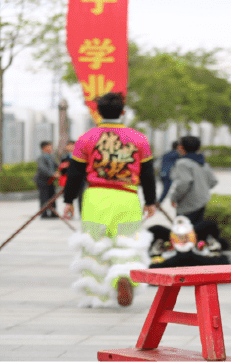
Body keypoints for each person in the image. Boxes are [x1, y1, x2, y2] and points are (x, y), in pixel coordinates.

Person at [61, 92, 157, 307]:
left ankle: (97, 297)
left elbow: (75, 173)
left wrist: (68, 200)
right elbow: (148, 173)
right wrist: (151, 201)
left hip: (96, 197)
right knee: (127, 245)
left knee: (94, 247)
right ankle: (123, 276)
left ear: (97, 112)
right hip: (127, 197)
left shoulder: (86, 138)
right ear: (123, 112)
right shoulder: (139, 138)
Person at [167, 136, 218, 225]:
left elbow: (184, 183)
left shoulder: (182, 163)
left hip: (187, 205)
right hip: (202, 202)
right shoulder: (203, 162)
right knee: (196, 230)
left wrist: (174, 197)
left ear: (181, 147)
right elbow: (213, 181)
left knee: (184, 231)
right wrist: (200, 188)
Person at [58, 140, 85, 216]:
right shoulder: (64, 157)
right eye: (68, 145)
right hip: (68, 179)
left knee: (81, 196)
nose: (70, 147)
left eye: (72, 145)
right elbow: (62, 170)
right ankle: (70, 212)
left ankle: (82, 212)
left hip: (80, 179)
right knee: (69, 196)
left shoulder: (81, 156)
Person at [34, 141, 59, 218]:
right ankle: (44, 213)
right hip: (43, 181)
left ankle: (53, 212)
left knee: (52, 196)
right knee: (44, 197)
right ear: (44, 148)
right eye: (49, 146)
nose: (51, 148)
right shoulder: (41, 158)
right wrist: (52, 173)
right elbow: (42, 168)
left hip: (50, 181)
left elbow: (56, 165)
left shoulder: (51, 157)